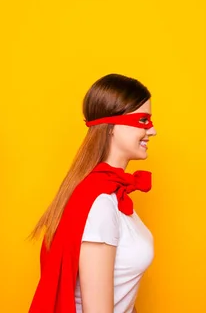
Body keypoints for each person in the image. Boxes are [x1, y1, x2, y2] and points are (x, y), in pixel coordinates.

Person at [30, 73, 156, 313]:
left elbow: (123, 295)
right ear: (111, 128)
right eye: (143, 121)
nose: (153, 131)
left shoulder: (111, 193)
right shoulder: (100, 204)